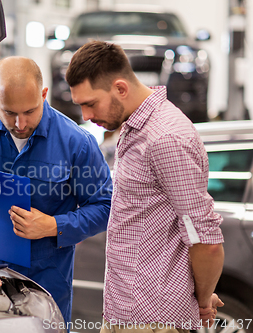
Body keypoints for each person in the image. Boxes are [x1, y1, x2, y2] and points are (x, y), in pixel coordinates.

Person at [65, 41, 224, 332]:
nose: (85, 116)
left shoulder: (165, 139)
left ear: (121, 89)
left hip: (154, 321)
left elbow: (206, 240)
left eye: (90, 103)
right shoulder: (134, 126)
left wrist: (201, 301)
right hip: (125, 314)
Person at [0, 56, 112, 324]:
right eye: (9, 112)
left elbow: (104, 206)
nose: (20, 124)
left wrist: (54, 225)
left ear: (44, 95)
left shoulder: (76, 143)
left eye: (30, 111)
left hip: (47, 280)